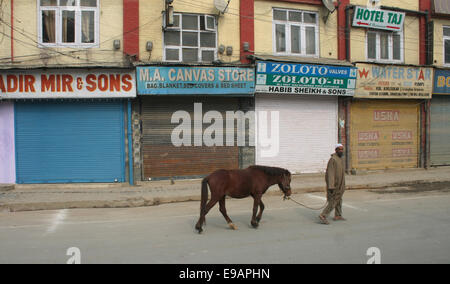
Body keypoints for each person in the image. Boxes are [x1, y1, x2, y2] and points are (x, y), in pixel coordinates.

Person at [318, 144, 346, 225]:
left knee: (339, 199)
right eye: (339, 149)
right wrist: (331, 186)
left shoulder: (340, 159)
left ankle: (338, 215)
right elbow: (330, 174)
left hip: (341, 184)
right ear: (336, 150)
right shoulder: (333, 159)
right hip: (335, 185)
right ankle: (323, 215)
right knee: (334, 201)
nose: (341, 151)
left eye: (342, 149)